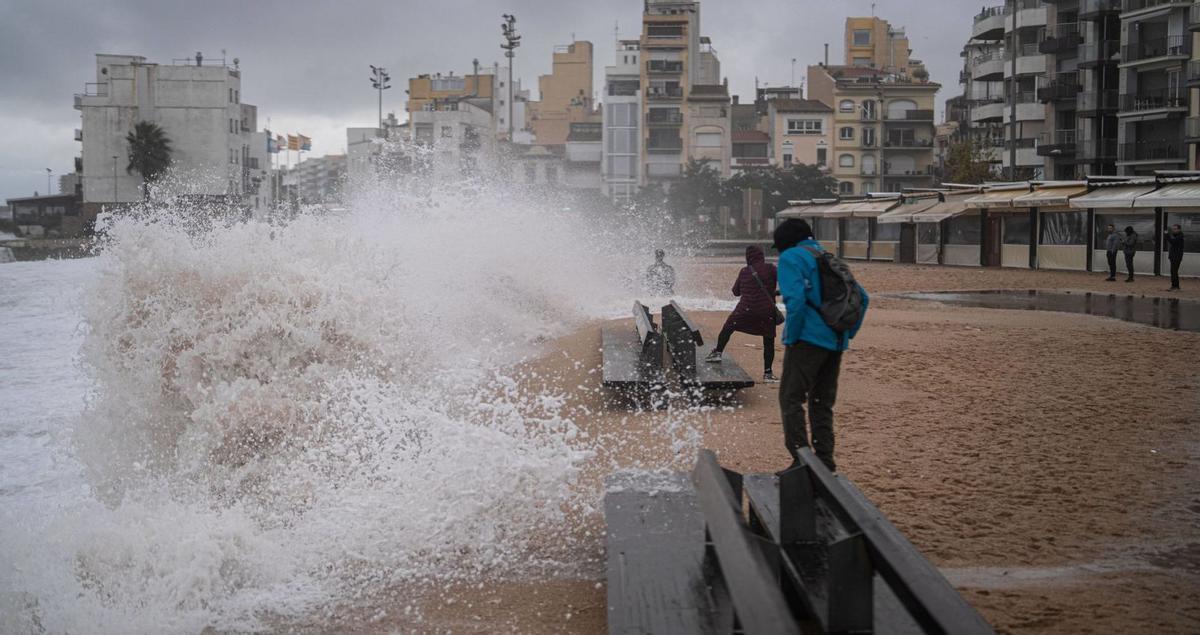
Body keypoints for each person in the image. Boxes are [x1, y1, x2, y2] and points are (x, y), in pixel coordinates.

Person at [773, 219, 869, 473]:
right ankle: (825, 461)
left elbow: (796, 302)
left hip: (807, 340)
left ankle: (801, 461)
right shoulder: (828, 257)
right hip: (835, 342)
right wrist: (847, 333)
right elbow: (864, 298)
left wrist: (791, 338)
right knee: (821, 402)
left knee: (790, 398)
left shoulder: (791, 258)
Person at [704, 246, 781, 382]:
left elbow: (736, 292)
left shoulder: (745, 271)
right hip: (766, 311)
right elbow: (786, 282)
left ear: (748, 257)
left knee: (728, 327)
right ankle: (768, 374)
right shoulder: (771, 268)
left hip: (745, 309)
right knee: (768, 340)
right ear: (761, 255)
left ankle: (717, 352)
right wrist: (775, 292)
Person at [1165, 224, 1185, 291]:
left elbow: (1173, 241)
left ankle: (1175, 286)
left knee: (1174, 271)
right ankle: (1176, 286)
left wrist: (1167, 235)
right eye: (1173, 229)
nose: (1174, 230)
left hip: (1177, 257)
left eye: (1175, 229)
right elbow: (1172, 238)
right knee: (1173, 271)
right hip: (1173, 256)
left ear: (1179, 229)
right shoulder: (1176, 235)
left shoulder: (1180, 236)